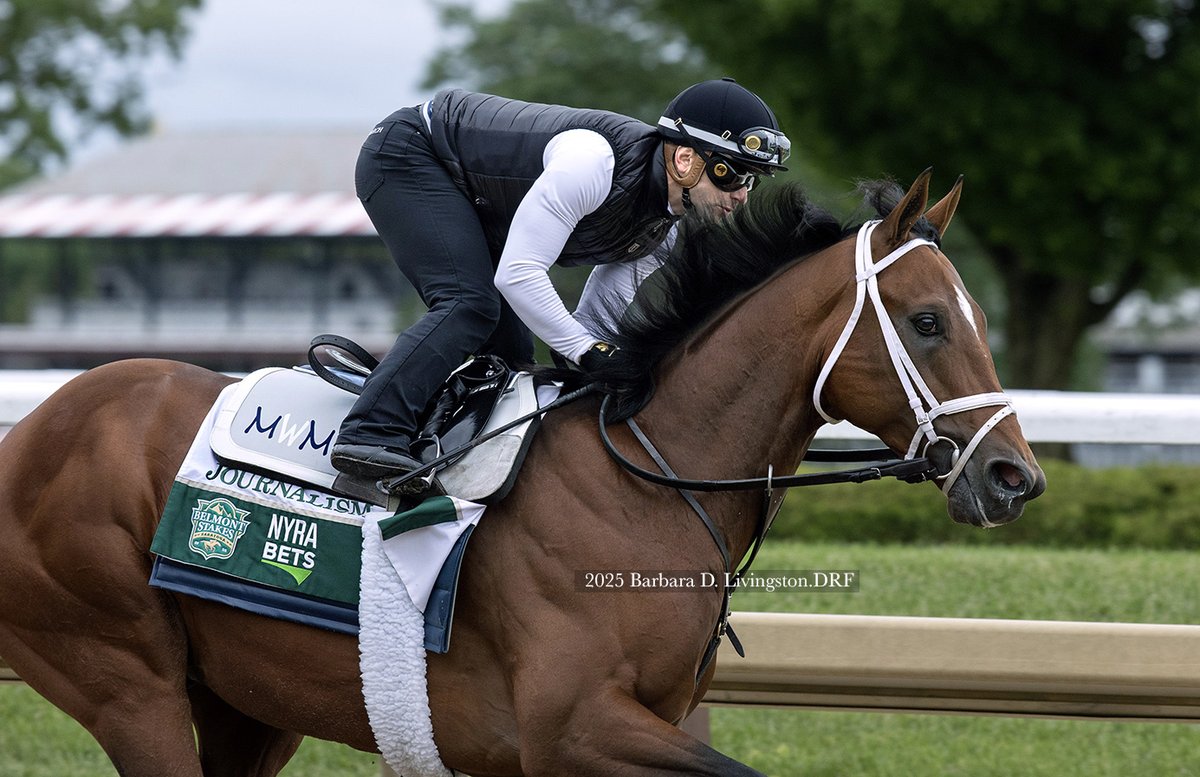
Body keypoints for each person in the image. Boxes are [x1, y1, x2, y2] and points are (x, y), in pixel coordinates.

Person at [330, 77, 791, 481]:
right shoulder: (592, 164)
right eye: (733, 175)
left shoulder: (665, 227)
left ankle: (434, 444)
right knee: (469, 305)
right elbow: (518, 275)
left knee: (512, 356)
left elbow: (592, 324)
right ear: (686, 159)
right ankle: (370, 432)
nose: (742, 196)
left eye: (754, 181)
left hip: (476, 199)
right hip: (409, 153)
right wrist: (588, 353)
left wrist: (605, 364)